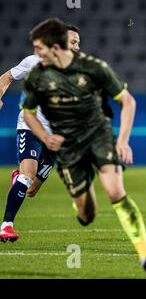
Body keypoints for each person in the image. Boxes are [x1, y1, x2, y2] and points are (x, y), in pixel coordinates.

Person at [22, 18, 146, 278]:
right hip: (69, 149)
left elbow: (128, 102)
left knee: (115, 192)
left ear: (55, 46)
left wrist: (122, 141)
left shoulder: (94, 68)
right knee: (87, 215)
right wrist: (43, 135)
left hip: (99, 135)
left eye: (40, 47)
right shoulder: (38, 77)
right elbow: (27, 112)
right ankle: (82, 206)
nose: (37, 53)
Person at [0, 25, 80, 242]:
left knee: (32, 189)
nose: (77, 47)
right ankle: (6, 226)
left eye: (78, 43)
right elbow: (7, 77)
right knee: (28, 175)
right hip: (29, 125)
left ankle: (18, 178)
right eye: (73, 42)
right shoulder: (34, 62)